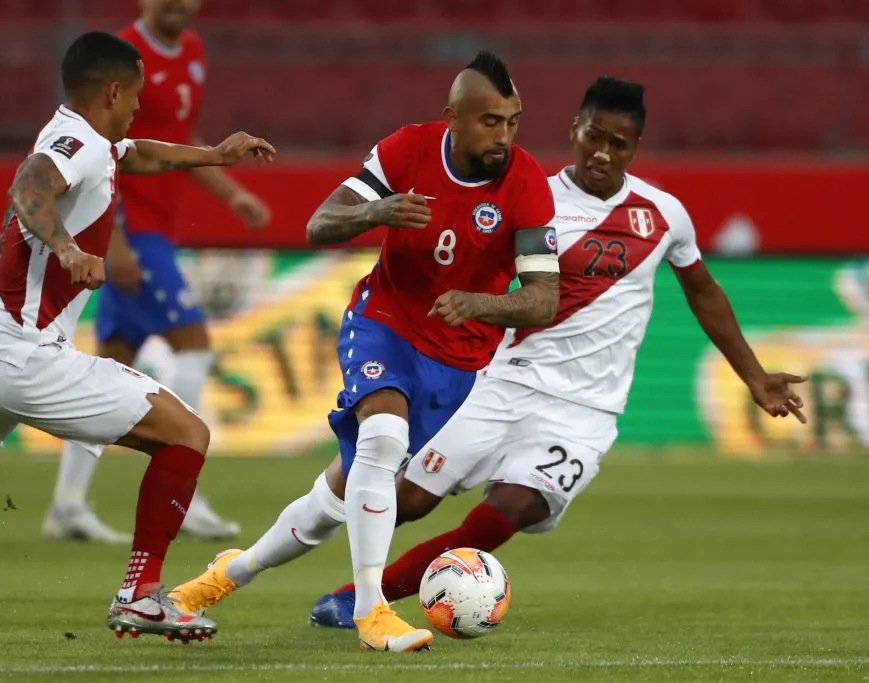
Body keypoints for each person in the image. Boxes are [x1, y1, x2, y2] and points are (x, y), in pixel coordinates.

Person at [308, 76, 809, 629]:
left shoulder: (664, 215)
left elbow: (704, 291)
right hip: (503, 382)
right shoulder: (531, 197)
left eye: (619, 145)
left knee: (508, 512)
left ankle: (359, 599)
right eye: (594, 136)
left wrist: (755, 376)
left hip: (585, 413)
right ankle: (289, 538)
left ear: (634, 148)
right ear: (574, 129)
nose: (602, 153)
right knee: (406, 498)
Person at [0, 32, 275, 644]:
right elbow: (29, 187)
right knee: (187, 432)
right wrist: (67, 246)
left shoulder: (87, 138)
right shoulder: (72, 145)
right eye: (134, 95)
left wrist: (213, 155)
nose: (138, 107)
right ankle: (142, 595)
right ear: (112, 90)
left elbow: (136, 154)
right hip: (24, 358)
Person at [168, 51, 561, 652]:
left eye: (514, 121)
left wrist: (481, 305)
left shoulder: (526, 182)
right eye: (491, 122)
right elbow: (319, 224)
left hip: (456, 361)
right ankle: (372, 610)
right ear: (452, 117)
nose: (504, 136)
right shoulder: (406, 149)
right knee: (382, 439)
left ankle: (227, 574)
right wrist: (377, 212)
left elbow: (542, 299)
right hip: (383, 322)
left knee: (334, 499)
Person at [44, 0, 270, 544]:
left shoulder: (192, 53)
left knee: (111, 361)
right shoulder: (120, 55)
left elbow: (173, 148)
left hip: (156, 232)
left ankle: (68, 503)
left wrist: (232, 191)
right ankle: (181, 488)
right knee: (193, 344)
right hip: (135, 234)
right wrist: (114, 236)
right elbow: (109, 152)